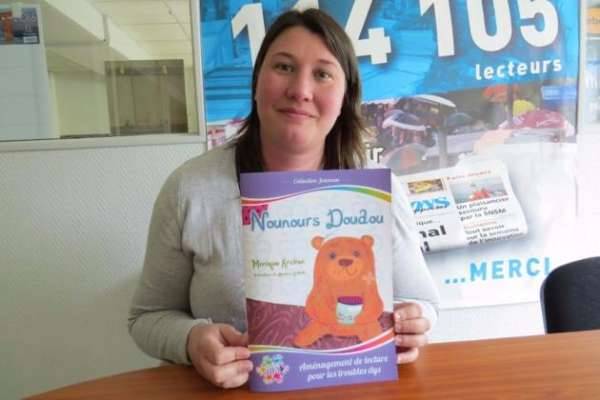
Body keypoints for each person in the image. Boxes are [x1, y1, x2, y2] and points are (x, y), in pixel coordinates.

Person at [128, 8, 440, 389]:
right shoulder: (190, 189)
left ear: (345, 96)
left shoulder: (378, 192)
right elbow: (147, 317)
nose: (301, 90)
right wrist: (190, 339)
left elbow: (424, 303)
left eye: (322, 74)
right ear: (257, 81)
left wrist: (412, 322)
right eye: (284, 67)